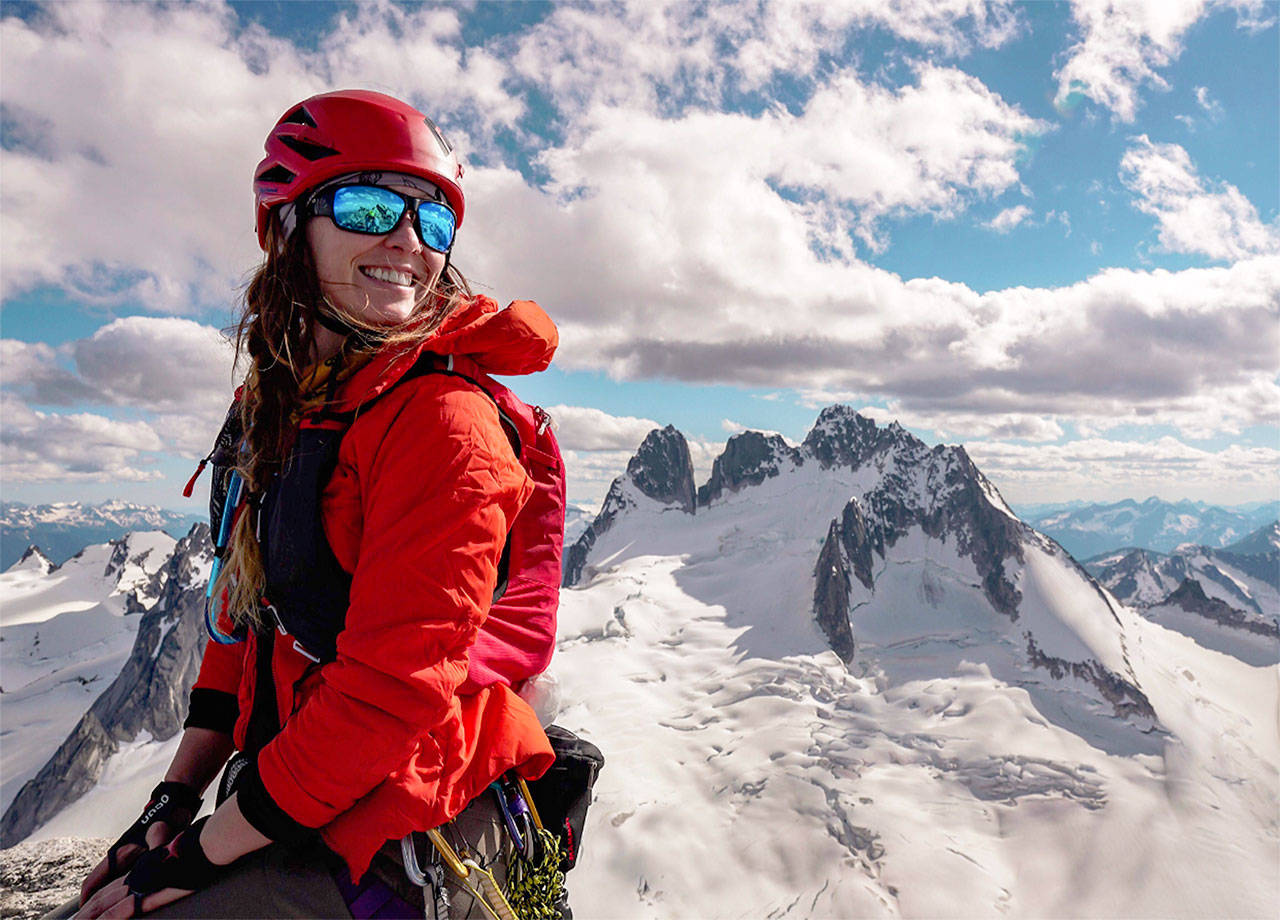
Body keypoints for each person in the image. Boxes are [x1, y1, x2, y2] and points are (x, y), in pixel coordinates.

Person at [72, 89, 559, 919]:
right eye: (370, 206)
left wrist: (195, 857)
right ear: (288, 228)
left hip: (409, 811)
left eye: (431, 222)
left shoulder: (445, 424)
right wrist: (172, 802)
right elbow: (244, 620)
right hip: (305, 783)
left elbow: (392, 694)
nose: (407, 242)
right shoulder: (280, 406)